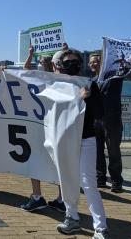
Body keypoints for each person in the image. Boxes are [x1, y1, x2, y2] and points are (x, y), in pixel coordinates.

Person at [55, 49, 109, 238]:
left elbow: (98, 112)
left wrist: (87, 98)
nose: (71, 64)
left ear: (80, 64)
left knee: (89, 183)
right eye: (67, 61)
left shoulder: (89, 85)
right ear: (61, 65)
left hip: (86, 139)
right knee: (67, 179)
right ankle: (72, 217)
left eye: (75, 61)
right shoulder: (56, 84)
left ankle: (100, 226)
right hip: (64, 139)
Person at [20, 46, 64, 212]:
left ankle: (38, 196)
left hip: (42, 125)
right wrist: (30, 55)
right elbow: (24, 71)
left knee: (38, 160)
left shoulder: (53, 79)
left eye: (42, 62)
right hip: (50, 126)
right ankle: (60, 198)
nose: (41, 65)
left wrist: (30, 55)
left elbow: (24, 71)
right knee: (56, 162)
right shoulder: (56, 80)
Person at [89, 53, 124, 193]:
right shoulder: (92, 80)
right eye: (91, 62)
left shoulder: (114, 76)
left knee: (113, 150)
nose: (93, 64)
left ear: (103, 63)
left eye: (96, 61)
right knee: (97, 152)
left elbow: (123, 70)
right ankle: (100, 179)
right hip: (96, 120)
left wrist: (122, 62)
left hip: (112, 119)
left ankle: (116, 181)